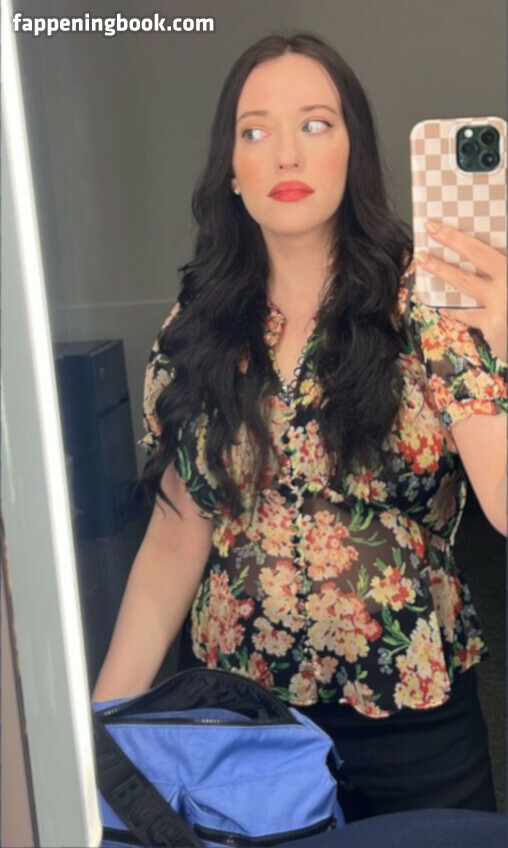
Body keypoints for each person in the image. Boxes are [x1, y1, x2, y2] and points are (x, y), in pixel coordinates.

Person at [92, 32, 507, 821]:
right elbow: (176, 538)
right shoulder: (196, 328)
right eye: (255, 131)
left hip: (412, 725)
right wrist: (101, 732)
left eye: (316, 124)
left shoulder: (429, 305)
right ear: (232, 169)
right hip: (243, 732)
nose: (286, 154)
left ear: (355, 152)